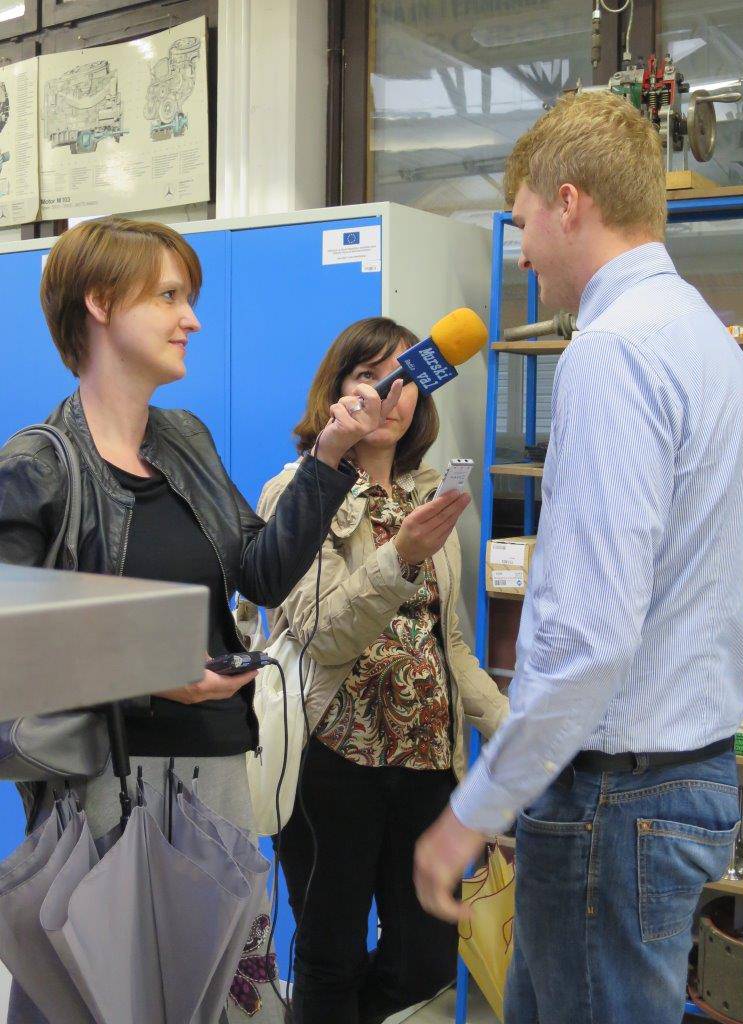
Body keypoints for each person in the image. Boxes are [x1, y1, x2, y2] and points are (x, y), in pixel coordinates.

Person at [414, 91, 743, 1024]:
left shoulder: (614, 353)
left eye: (525, 221)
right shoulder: (711, 348)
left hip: (614, 794)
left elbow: (590, 635)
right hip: (680, 775)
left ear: (568, 203)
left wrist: (475, 808)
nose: (523, 252)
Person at [0, 215, 403, 1024]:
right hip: (106, 792)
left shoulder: (185, 439)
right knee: (112, 998)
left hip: (215, 779)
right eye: (170, 296)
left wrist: (329, 457)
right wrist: (152, 678)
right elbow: (14, 652)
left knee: (228, 1002)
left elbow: (259, 569)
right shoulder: (39, 467)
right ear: (100, 303)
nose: (191, 319)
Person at [254, 316, 509, 1024]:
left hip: (428, 763)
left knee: (426, 959)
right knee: (329, 958)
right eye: (369, 375)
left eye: (406, 376)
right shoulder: (297, 493)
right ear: (336, 392)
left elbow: (449, 644)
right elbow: (322, 635)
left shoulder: (429, 497)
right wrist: (400, 557)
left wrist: (518, 732)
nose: (391, 393)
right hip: (329, 761)